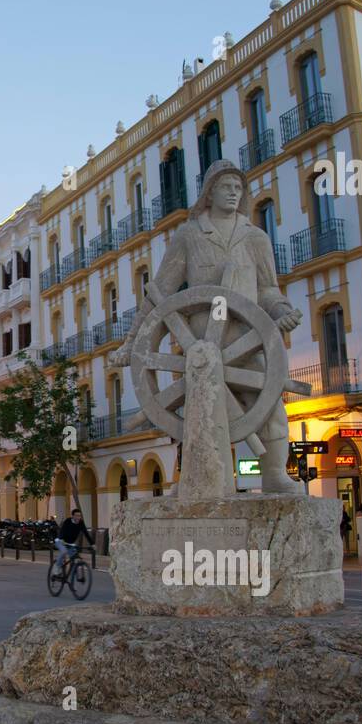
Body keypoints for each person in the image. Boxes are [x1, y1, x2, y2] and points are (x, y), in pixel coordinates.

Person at [112, 159, 305, 494]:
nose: (233, 193)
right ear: (209, 192)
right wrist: (132, 342)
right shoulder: (189, 235)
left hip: (246, 338)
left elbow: (268, 290)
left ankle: (274, 473)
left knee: (271, 403)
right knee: (195, 416)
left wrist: (281, 311)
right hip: (202, 342)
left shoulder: (255, 238)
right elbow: (160, 292)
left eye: (238, 188)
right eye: (225, 187)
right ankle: (193, 480)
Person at [53, 508, 94, 579]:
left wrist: (92, 544)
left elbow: (86, 533)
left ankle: (73, 578)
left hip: (70, 544)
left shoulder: (81, 523)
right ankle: (57, 567)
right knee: (64, 551)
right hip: (60, 541)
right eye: (76, 516)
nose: (78, 517)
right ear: (72, 516)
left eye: (79, 516)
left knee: (75, 558)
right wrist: (61, 539)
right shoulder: (67, 521)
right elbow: (62, 531)